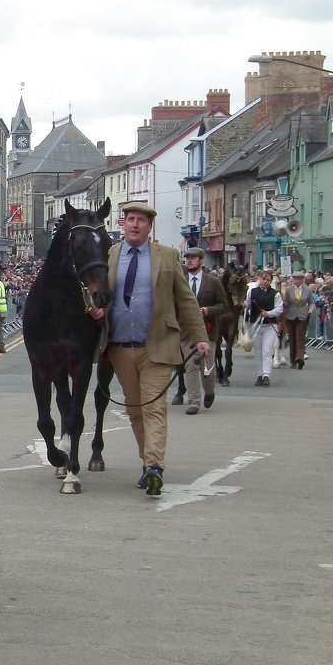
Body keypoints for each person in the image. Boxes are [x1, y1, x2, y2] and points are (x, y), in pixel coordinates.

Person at [87, 203, 209, 497]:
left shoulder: (167, 256)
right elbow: (98, 294)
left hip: (157, 345)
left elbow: (186, 300)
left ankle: (154, 466)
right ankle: (148, 463)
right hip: (119, 347)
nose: (135, 225)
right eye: (130, 220)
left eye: (141, 220)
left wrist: (200, 337)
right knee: (135, 410)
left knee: (154, 407)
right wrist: (96, 310)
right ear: (123, 224)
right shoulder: (111, 255)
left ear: (149, 227)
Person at [179, 248, 226, 415]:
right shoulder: (181, 281)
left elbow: (223, 305)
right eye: (187, 258)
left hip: (208, 331)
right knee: (190, 366)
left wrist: (207, 310)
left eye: (193, 258)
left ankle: (209, 391)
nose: (189, 261)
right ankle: (193, 401)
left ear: (201, 261)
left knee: (207, 369)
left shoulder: (213, 281)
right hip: (186, 332)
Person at [245, 269, 283, 386]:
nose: (265, 281)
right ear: (259, 279)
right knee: (258, 352)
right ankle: (259, 375)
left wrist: (269, 313)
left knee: (266, 351)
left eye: (268, 280)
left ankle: (267, 375)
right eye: (263, 279)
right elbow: (248, 305)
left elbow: (279, 308)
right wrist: (243, 306)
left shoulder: (275, 294)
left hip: (269, 326)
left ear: (271, 281)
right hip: (255, 326)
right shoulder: (252, 292)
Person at [282, 271, 313, 369]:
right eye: (295, 279)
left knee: (300, 337)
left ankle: (300, 358)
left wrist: (310, 310)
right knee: (292, 338)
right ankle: (293, 360)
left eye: (299, 279)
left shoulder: (308, 290)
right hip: (290, 316)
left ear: (302, 280)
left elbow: (311, 302)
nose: (297, 281)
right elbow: (286, 303)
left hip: (302, 316)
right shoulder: (289, 290)